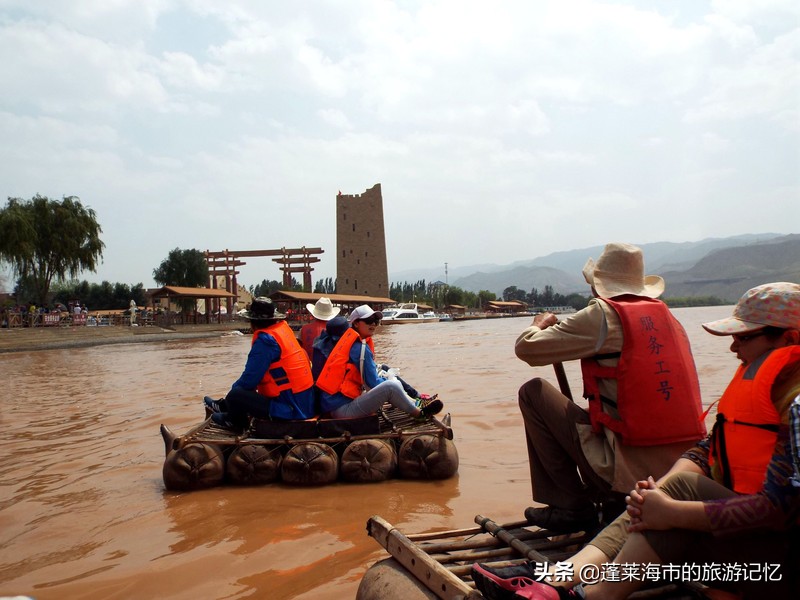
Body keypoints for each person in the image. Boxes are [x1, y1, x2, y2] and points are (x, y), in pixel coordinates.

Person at [472, 282, 800, 600]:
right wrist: (658, 493)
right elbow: (706, 450)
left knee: (680, 492)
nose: (733, 347)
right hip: (748, 545)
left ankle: (572, 585)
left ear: (789, 338)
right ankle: (564, 580)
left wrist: (673, 511)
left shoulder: (796, 402)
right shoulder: (674, 321)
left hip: (776, 566)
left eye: (743, 337)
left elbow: (780, 510)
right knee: (672, 491)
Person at [515, 242, 706, 533]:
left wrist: (539, 324)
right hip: (685, 469)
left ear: (598, 286)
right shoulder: (667, 316)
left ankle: (572, 506)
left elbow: (526, 348)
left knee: (533, 392)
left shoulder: (602, 314)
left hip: (627, 478)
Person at [204, 297, 315, 430]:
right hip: (305, 404)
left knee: (236, 394)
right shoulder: (283, 332)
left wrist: (230, 399)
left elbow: (249, 381)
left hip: (291, 409)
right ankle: (225, 406)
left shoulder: (265, 341)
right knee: (239, 393)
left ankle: (234, 422)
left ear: (253, 323)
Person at [316, 304, 443, 420]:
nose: (373, 324)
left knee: (387, 375)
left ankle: (415, 400)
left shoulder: (351, 343)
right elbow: (373, 383)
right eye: (368, 321)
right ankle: (418, 413)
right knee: (391, 387)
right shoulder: (359, 348)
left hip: (333, 406)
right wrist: (394, 383)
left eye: (376, 321)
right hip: (341, 409)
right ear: (356, 323)